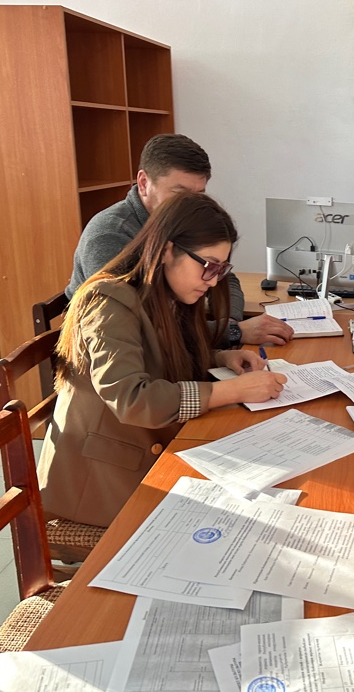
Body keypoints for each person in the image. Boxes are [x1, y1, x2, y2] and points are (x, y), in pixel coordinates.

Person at [39, 192, 287, 528]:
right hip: (99, 481)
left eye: (221, 269)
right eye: (208, 266)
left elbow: (159, 357)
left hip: (145, 449)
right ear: (168, 250)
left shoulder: (164, 294)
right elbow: (131, 399)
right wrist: (233, 390)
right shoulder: (109, 300)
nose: (214, 280)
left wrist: (220, 356)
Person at [66, 133, 293, 347]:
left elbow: (225, 279)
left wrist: (230, 323)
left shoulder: (180, 222)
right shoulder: (110, 235)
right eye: (179, 194)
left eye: (199, 195)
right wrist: (233, 333)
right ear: (144, 183)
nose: (190, 205)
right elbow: (143, 329)